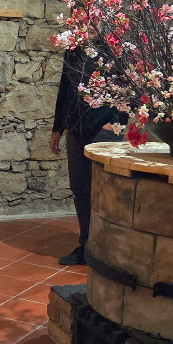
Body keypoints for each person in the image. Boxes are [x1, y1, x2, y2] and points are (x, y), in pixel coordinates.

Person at [50, 45, 127, 266]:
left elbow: (134, 88)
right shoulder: (73, 50)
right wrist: (58, 128)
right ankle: (87, 246)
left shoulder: (118, 48)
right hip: (76, 128)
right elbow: (65, 90)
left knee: (107, 191)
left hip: (105, 130)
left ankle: (108, 249)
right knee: (81, 190)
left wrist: (117, 122)